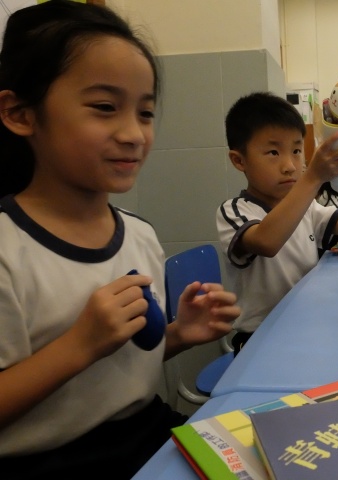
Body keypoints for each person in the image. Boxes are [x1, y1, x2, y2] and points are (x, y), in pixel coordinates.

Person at [0, 2, 240, 478]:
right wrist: (80, 344)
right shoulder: (9, 249)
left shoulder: (140, 233)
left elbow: (117, 370)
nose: (134, 134)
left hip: (150, 438)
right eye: (104, 108)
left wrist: (177, 336)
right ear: (20, 114)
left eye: (145, 112)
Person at [216, 92, 338, 354]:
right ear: (239, 160)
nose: (290, 165)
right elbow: (266, 242)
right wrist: (312, 178)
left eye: (297, 151)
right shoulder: (234, 211)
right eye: (273, 152)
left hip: (308, 328)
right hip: (260, 342)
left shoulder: (306, 206)